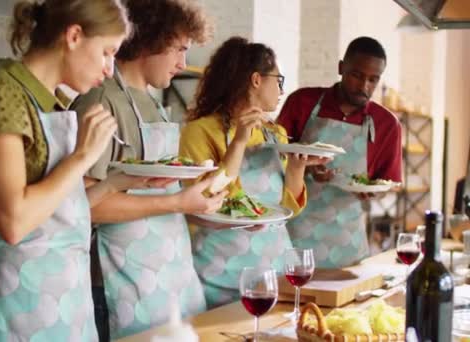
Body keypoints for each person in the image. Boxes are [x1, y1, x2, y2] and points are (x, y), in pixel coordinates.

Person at [0, 1, 152, 341]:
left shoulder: (51, 103)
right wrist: (80, 157)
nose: (110, 69)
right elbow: (14, 222)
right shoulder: (2, 93)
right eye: (107, 52)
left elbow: (55, 212)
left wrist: (112, 185)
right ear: (74, 36)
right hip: (15, 299)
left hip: (62, 299)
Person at [70, 0, 221, 339]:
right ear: (151, 39)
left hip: (172, 277)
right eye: (179, 49)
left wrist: (203, 209)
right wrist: (178, 203)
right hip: (121, 281)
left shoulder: (154, 101)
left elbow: (164, 192)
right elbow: (87, 205)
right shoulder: (101, 100)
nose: (183, 63)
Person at [179, 37, 328, 309]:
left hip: (273, 277)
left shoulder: (275, 133)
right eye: (279, 81)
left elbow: (286, 213)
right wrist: (238, 141)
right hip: (218, 277)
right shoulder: (200, 131)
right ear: (257, 79)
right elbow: (204, 201)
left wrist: (297, 167)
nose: (283, 90)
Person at [277, 36, 403, 268]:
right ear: (341, 67)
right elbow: (274, 160)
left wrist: (373, 192)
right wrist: (304, 167)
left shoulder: (387, 124)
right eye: (356, 75)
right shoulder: (302, 102)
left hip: (348, 241)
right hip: (296, 232)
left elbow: (389, 183)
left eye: (373, 80)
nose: (364, 87)